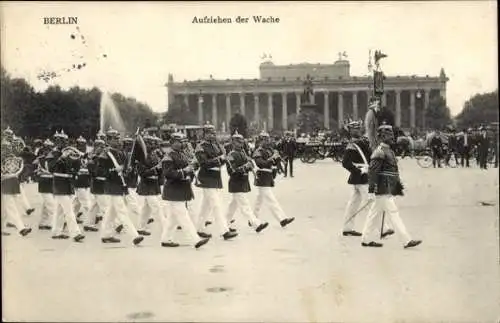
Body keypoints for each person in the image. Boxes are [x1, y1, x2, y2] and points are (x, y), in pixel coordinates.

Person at [360, 124, 422, 249]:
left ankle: (365, 239)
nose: (392, 138)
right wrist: (371, 190)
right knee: (393, 213)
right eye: (389, 135)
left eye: (392, 135)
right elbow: (373, 172)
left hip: (387, 187)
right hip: (383, 188)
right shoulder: (380, 152)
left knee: (373, 214)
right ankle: (406, 240)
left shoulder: (388, 151)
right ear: (382, 137)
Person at [160, 132, 210, 249]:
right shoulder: (168, 157)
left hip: (181, 189)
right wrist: (185, 171)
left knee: (172, 219)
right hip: (173, 190)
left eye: (182, 141)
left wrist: (193, 167)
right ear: (172, 143)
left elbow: (189, 169)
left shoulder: (182, 154)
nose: (182, 144)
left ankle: (166, 239)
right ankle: (195, 239)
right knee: (183, 216)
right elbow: (168, 174)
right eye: (178, 142)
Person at [99, 127, 144, 246]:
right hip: (112, 185)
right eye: (114, 139)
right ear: (108, 140)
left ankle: (106, 234)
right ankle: (134, 235)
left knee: (111, 212)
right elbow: (101, 172)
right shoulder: (105, 154)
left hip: (119, 184)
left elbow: (124, 168)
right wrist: (114, 169)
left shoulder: (120, 153)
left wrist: (126, 169)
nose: (117, 141)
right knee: (121, 211)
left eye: (118, 138)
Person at [194, 125, 237, 240]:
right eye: (210, 133)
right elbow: (204, 163)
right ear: (204, 134)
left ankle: (199, 228)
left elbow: (220, 162)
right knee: (216, 205)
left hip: (215, 177)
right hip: (206, 177)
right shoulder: (200, 147)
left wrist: (224, 159)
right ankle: (224, 231)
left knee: (206, 206)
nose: (213, 135)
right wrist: (220, 159)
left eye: (214, 133)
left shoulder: (216, 145)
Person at [225, 131, 269, 233]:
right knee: (245, 205)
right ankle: (256, 224)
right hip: (236, 183)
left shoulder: (242, 153)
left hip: (242, 182)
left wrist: (250, 165)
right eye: (238, 142)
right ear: (233, 142)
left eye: (241, 142)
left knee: (232, 207)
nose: (240, 144)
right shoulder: (230, 155)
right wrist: (246, 166)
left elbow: (249, 166)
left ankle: (225, 224)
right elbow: (231, 171)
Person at [47, 130, 85, 242]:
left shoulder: (70, 152)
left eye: (64, 141)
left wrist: (77, 160)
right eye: (60, 141)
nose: (63, 143)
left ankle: (56, 232)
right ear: (56, 141)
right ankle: (76, 233)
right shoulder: (52, 154)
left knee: (60, 210)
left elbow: (75, 168)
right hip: (59, 183)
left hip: (68, 183)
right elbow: (51, 168)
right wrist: (62, 157)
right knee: (69, 210)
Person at [252, 132, 295, 228]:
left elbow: (274, 163)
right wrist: (272, 159)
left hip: (268, 176)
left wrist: (279, 159)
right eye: (265, 140)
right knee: (271, 200)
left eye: (268, 139)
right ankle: (282, 219)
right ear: (260, 141)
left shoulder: (270, 150)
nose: (267, 141)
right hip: (262, 176)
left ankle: (252, 218)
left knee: (259, 200)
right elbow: (260, 163)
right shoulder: (258, 151)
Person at [340, 121, 372, 236]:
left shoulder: (361, 141)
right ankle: (383, 228)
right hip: (360, 176)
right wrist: (358, 171)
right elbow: (345, 163)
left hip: (361, 176)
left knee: (353, 204)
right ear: (351, 131)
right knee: (370, 201)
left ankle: (347, 228)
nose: (358, 130)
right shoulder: (352, 145)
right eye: (355, 129)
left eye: (359, 128)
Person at [1, 140, 32, 237]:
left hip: (11, 183)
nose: (6, 150)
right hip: (4, 183)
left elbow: (18, 169)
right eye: (4, 148)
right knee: (11, 207)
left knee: (6, 209)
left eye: (8, 148)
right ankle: (21, 228)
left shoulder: (14, 159)